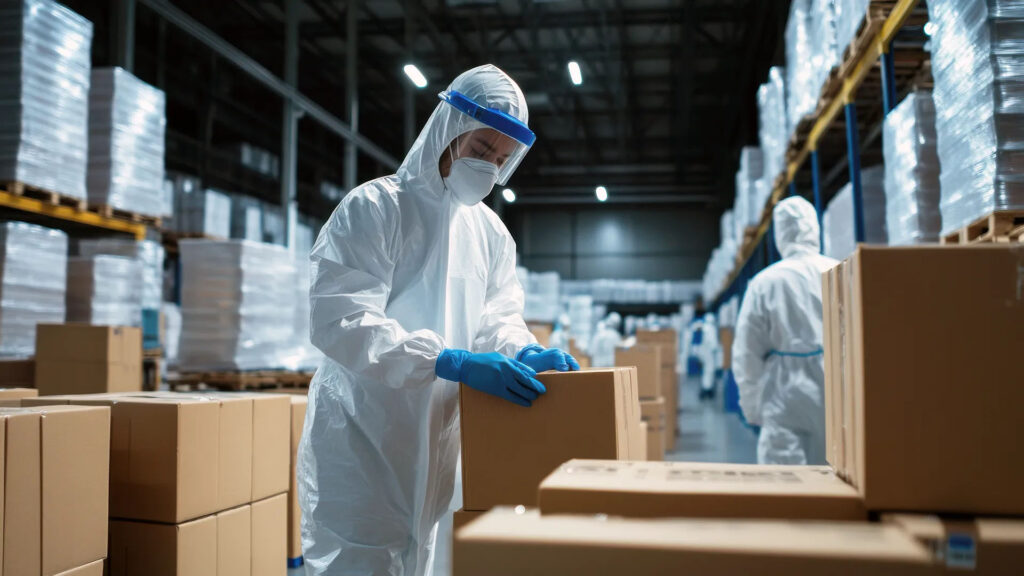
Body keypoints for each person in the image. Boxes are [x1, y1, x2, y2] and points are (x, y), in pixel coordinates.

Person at [297, 64, 580, 576]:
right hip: (364, 430)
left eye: (500, 158)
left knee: (425, 556)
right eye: (479, 149)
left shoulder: (491, 234)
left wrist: (520, 349)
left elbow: (498, 317)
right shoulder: (376, 208)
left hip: (439, 436)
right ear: (448, 131)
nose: (488, 165)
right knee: (357, 561)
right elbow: (342, 318)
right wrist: (445, 359)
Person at [732, 196, 838, 465]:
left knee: (786, 484)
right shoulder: (839, 270)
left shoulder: (765, 282)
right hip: (835, 387)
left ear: (780, 234)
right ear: (814, 227)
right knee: (836, 478)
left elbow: (747, 352)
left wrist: (752, 407)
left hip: (783, 394)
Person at [698, 312, 719, 400]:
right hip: (709, 354)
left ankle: (705, 388)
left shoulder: (704, 327)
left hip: (704, 353)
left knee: (706, 371)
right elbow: (713, 344)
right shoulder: (711, 329)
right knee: (709, 371)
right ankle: (707, 389)